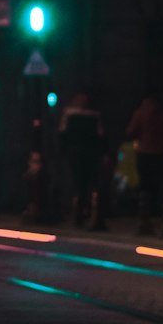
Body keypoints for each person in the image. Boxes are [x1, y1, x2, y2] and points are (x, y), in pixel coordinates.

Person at [124, 88, 163, 238]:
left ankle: (145, 222)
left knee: (145, 187)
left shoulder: (140, 113)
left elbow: (130, 132)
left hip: (144, 153)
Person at [58, 90, 106, 230]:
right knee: (90, 182)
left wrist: (63, 150)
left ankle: (78, 214)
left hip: (75, 152)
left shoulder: (69, 115)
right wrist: (103, 152)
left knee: (78, 183)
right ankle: (91, 213)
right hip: (91, 152)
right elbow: (101, 135)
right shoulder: (94, 116)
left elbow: (62, 133)